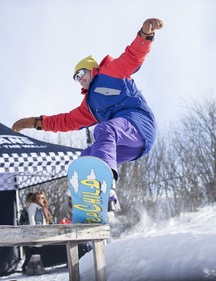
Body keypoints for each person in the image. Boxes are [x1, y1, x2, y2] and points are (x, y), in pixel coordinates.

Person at [12, 18, 164, 209]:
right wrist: (34, 122)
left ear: (92, 68)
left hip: (139, 126)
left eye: (81, 73)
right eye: (76, 78)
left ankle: (105, 184)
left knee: (104, 129)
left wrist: (145, 35)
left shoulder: (111, 71)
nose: (79, 79)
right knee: (87, 157)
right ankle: (90, 200)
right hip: (130, 146)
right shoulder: (89, 105)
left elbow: (133, 56)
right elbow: (65, 121)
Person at [22, 191, 52, 275]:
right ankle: (35, 268)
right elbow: (32, 219)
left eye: (42, 198)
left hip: (42, 231)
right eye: (38, 198)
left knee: (37, 251)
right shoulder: (33, 206)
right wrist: (34, 231)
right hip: (35, 231)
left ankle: (32, 269)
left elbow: (46, 221)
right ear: (35, 198)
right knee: (35, 250)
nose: (40, 199)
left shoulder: (43, 208)